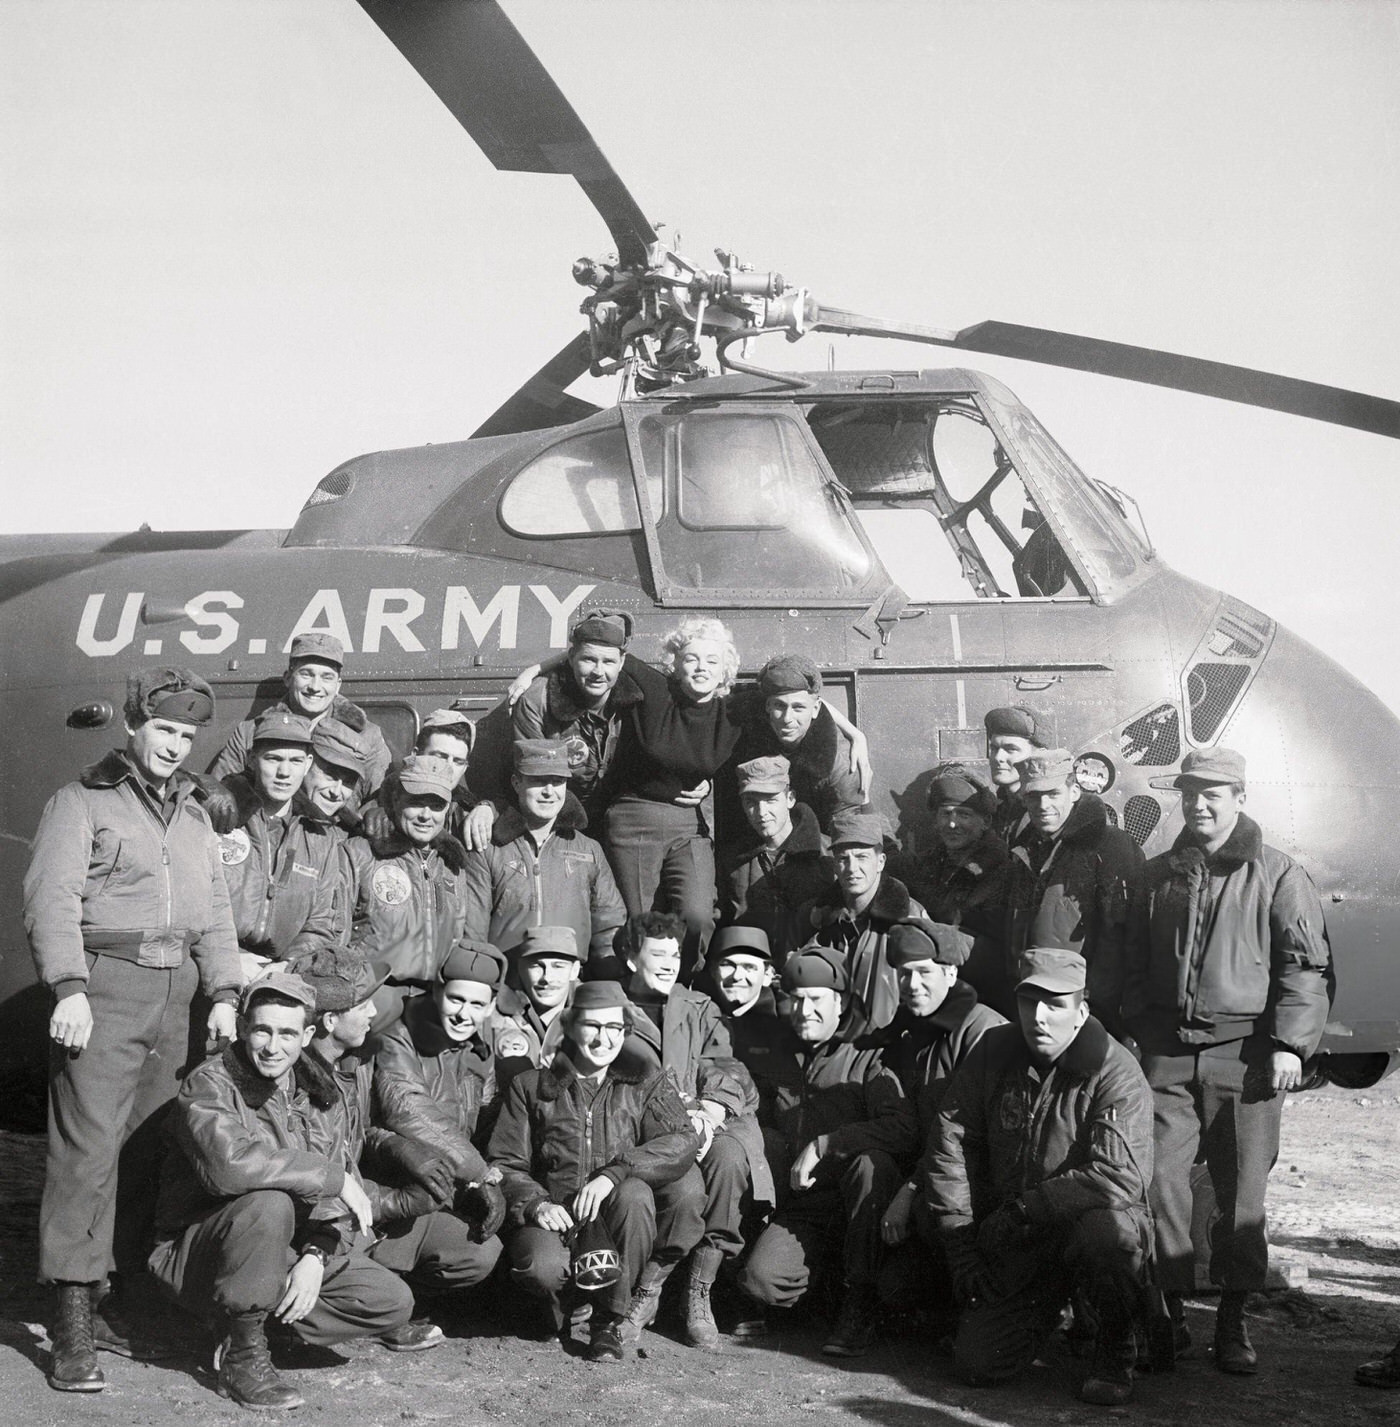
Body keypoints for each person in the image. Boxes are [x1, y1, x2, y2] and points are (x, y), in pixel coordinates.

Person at [23, 667, 242, 1393]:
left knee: (148, 1151)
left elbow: (215, 911)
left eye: (187, 734)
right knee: (85, 1153)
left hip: (178, 995)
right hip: (105, 987)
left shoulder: (197, 815)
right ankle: (71, 1323)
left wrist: (224, 991)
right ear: (132, 725)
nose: (176, 745)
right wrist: (69, 987)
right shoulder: (80, 801)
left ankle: (117, 1303)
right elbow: (51, 899)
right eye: (164, 729)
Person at [1124, 747, 1332, 1375]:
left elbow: (1304, 964)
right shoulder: (1158, 875)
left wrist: (1290, 1043)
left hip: (1245, 1058)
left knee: (1242, 1194)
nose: (1199, 805)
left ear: (1240, 797)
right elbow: (1133, 961)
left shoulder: (1278, 873)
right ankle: (1170, 1317)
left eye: (1213, 794)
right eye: (1190, 793)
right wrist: (1134, 1036)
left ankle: (1233, 1321)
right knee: (1160, 1186)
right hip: (1166, 1058)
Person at [149, 972, 413, 1410]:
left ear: (307, 1035)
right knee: (268, 1203)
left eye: (288, 1033)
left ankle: (244, 1323)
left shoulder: (319, 1091)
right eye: (262, 1030)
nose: (273, 1047)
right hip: (197, 1252)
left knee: (389, 1301)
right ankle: (242, 1357)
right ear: (243, 1028)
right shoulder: (209, 1084)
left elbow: (338, 1199)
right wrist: (329, 1176)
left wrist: (316, 1254)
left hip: (281, 1248)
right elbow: (228, 1168)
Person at [925, 948, 1155, 1406]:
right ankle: (1049, 1312)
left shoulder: (1116, 1070)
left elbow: (1118, 1176)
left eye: (1055, 1004)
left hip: (1080, 1224)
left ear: (1082, 1011)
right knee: (978, 1364)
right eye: (1029, 1002)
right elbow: (951, 1141)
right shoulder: (993, 1051)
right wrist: (961, 1241)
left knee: (1107, 1237)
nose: (1039, 1016)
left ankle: (1115, 1345)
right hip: (1023, 1236)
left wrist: (1029, 1207)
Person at [486, 981, 700, 1363]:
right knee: (540, 1267)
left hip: (614, 1217)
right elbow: (505, 1162)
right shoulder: (530, 1086)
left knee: (635, 1195)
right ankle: (565, 1305)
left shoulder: (646, 1082)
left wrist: (616, 1173)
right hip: (557, 1214)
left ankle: (607, 1321)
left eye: (615, 1028)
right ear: (570, 1027)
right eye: (593, 1026)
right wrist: (536, 1204)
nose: (605, 1039)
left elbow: (682, 1139)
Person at [737, 945, 911, 1358]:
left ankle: (860, 1300)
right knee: (761, 1282)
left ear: (841, 1002)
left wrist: (826, 1145)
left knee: (871, 1164)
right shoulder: (779, 1054)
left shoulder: (870, 1054)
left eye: (816, 999)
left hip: (859, 1205)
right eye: (796, 1000)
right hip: (805, 1209)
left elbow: (901, 1128)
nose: (805, 1011)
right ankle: (826, 1291)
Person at [616, 912, 769, 1351]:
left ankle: (698, 1291)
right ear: (632, 959)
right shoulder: (610, 1006)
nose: (669, 964)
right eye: (658, 955)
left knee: (730, 1158)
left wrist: (712, 1108)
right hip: (638, 1131)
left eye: (675, 956)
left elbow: (723, 1064)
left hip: (697, 1122)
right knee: (683, 1190)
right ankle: (644, 1290)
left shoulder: (699, 1007)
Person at [302, 960, 458, 1353]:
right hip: (316, 1226)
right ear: (330, 1021)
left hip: (355, 1209)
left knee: (472, 1249)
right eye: (363, 1004)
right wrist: (393, 1202)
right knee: (392, 1301)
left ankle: (373, 1296)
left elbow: (357, 1135)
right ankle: (276, 1324)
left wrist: (399, 1147)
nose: (374, 1011)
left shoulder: (355, 1061)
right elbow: (317, 1184)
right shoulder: (297, 1080)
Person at [872, 919, 1005, 1333]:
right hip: (937, 1179)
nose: (912, 985)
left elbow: (968, 1136)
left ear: (950, 973)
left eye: (924, 972)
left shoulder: (984, 1031)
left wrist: (911, 1189)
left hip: (977, 1188)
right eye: (904, 974)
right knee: (893, 1290)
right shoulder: (914, 1030)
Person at [370, 942, 509, 1296]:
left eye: (477, 1004)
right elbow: (407, 1109)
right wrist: (479, 1173)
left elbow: (486, 1120)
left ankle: (410, 1297)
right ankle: (382, 1293)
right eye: (456, 999)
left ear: (491, 1006)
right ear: (436, 991)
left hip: (447, 1187)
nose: (464, 1014)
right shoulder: (398, 1037)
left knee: (480, 1252)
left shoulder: (478, 1052)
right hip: (393, 1184)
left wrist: (493, 1177)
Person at [998, 748, 1144, 1030]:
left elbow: (1123, 935)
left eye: (1053, 794)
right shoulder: (1023, 848)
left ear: (1074, 791)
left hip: (1083, 1006)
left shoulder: (1110, 846)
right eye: (1034, 796)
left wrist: (1094, 1003)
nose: (1043, 805)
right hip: (1033, 999)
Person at [460, 739, 626, 976]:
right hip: (508, 980)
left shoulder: (589, 849)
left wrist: (606, 976)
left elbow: (609, 925)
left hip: (569, 980)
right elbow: (473, 929)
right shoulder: (488, 849)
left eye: (558, 781)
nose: (549, 791)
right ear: (517, 783)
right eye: (538, 780)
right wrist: (482, 979)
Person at [213, 709, 347, 983]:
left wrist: (285, 967)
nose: (284, 773)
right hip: (218, 963)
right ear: (252, 759)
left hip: (283, 974)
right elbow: (194, 904)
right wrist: (229, 957)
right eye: (273, 759)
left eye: (295, 761)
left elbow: (321, 923)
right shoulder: (220, 817)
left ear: (308, 764)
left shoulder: (320, 836)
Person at [209, 632, 391, 793]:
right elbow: (221, 792)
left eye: (327, 677)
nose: (315, 687)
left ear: (338, 686)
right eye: (306, 674)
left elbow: (379, 797)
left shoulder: (367, 737)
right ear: (288, 678)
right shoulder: (250, 733)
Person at [344, 754, 468, 988]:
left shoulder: (452, 865)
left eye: (436, 806)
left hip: (434, 997)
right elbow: (333, 933)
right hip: (372, 994)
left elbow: (457, 938)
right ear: (396, 800)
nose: (425, 815)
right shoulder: (360, 854)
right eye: (416, 802)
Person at [804, 807, 928, 1038]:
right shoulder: (821, 917)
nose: (852, 869)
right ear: (834, 866)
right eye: (843, 859)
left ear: (880, 862)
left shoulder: (909, 918)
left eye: (862, 857)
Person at [895, 763, 1009, 1010]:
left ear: (986, 821)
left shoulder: (999, 869)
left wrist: (924, 927)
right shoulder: (931, 863)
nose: (952, 824)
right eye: (945, 814)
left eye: (964, 815)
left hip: (983, 996)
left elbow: (989, 951)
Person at [723, 654, 870, 837]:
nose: (787, 719)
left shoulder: (838, 760)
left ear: (815, 709)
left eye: (798, 708)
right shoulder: (750, 722)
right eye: (779, 706)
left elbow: (849, 822)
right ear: (767, 706)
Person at [718, 755, 833, 966]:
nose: (761, 813)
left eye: (771, 800)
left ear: (790, 798)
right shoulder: (732, 861)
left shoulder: (826, 854)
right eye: (751, 802)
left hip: (808, 969)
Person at [487, 924, 585, 1087]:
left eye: (558, 966)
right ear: (520, 968)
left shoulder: (596, 1010)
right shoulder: (494, 1011)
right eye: (536, 966)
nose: (547, 978)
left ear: (574, 970)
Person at [701, 924, 782, 1067]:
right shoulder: (698, 1018)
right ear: (713, 971)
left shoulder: (782, 1031)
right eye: (727, 964)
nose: (737, 976)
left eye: (749, 967)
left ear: (767, 976)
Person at [982, 705, 1046, 843]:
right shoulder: (995, 807)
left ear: (1038, 755)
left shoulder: (1047, 810)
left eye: (1011, 749)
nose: (998, 757)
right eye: (994, 748)